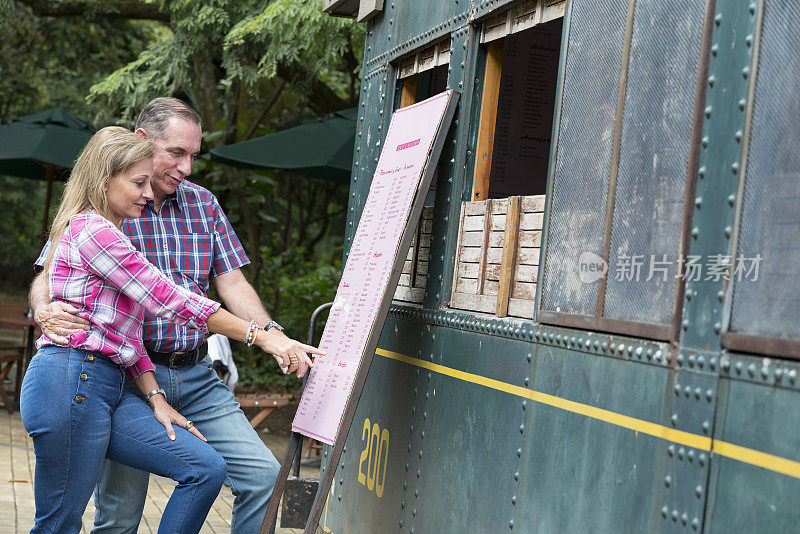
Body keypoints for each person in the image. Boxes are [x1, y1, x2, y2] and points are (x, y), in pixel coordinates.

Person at [29, 98, 317, 533]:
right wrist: (43, 309)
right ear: (142, 142)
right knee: (120, 516)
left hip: (191, 372)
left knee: (262, 477)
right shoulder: (105, 215)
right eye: (177, 153)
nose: (186, 168)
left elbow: (233, 283)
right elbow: (51, 276)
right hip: (115, 378)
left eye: (194, 156)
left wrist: (274, 333)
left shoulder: (203, 203)